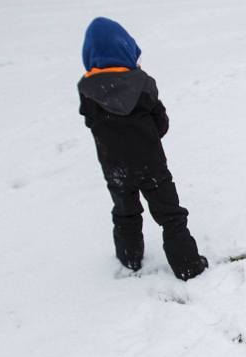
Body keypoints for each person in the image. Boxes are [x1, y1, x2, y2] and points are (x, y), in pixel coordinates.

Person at [77, 17, 208, 280]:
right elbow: (160, 123)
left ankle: (130, 258)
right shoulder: (143, 84)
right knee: (170, 214)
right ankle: (187, 265)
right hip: (151, 165)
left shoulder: (87, 90)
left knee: (125, 212)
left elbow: (91, 123)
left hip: (115, 168)